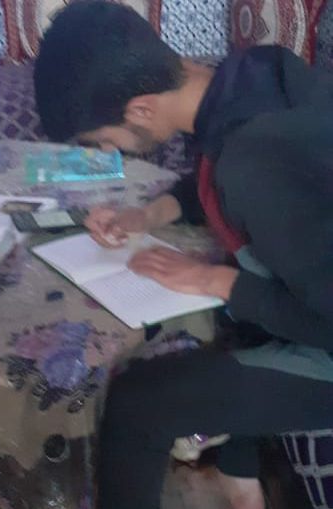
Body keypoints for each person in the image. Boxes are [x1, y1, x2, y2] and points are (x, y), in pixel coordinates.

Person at [34, 2, 333, 509]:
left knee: (136, 406)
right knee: (225, 312)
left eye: (104, 141)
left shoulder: (256, 162)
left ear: (141, 110)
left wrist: (215, 282)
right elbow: (221, 181)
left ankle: (240, 475)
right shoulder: (253, 74)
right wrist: (148, 216)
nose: (112, 153)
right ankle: (241, 479)